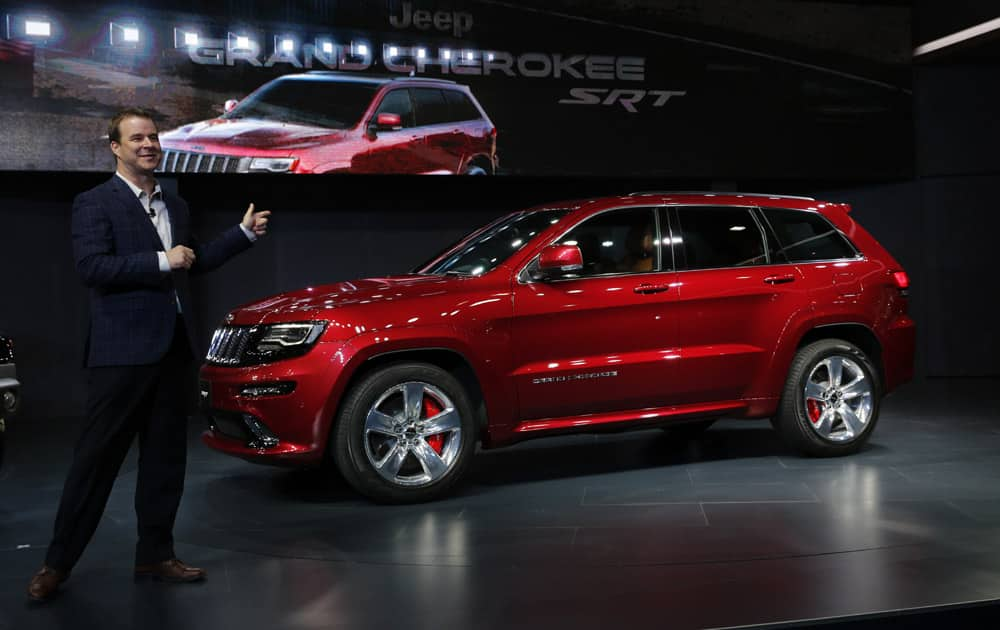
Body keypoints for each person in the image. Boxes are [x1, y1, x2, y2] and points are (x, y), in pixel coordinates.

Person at [27, 108, 271, 602]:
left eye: (154, 137)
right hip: (120, 355)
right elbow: (92, 266)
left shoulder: (174, 205)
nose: (149, 144)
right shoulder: (95, 202)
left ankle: (156, 554)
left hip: (171, 352)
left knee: (165, 462)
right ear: (114, 147)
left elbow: (194, 261)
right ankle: (56, 563)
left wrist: (241, 235)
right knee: (95, 464)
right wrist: (163, 260)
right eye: (137, 138)